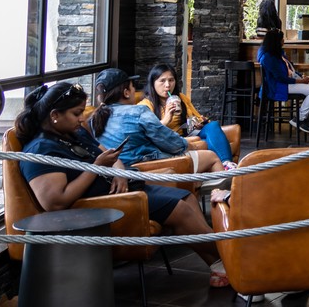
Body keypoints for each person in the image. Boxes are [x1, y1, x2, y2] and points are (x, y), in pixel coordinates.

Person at [16, 82, 228, 287]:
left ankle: (219, 265)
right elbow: (55, 202)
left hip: (124, 188)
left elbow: (110, 155)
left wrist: (118, 173)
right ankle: (233, 254)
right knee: (180, 210)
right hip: (103, 205)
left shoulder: (74, 133)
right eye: (76, 113)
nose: (81, 119)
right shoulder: (40, 149)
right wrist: (96, 168)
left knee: (186, 197)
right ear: (54, 115)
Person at [89, 68, 225, 175]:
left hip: (119, 170)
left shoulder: (95, 118)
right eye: (132, 87)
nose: (167, 85)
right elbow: (170, 142)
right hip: (147, 167)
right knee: (211, 157)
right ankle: (222, 198)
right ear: (126, 93)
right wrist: (188, 145)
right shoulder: (139, 111)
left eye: (171, 80)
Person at [138, 64, 236, 168]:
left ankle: (227, 164)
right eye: (162, 81)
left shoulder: (181, 98)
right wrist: (166, 119)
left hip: (186, 135)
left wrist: (197, 122)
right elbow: (147, 133)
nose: (167, 85)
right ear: (153, 83)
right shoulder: (145, 106)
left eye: (171, 80)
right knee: (209, 144)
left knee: (212, 126)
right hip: (169, 141)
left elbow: (195, 117)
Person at [258, 28, 309, 133]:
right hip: (279, 86)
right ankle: (300, 118)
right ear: (276, 41)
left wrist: (300, 76)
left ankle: (301, 118)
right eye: (282, 39)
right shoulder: (269, 57)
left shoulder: (277, 53)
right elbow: (281, 78)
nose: (284, 41)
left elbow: (289, 70)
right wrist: (301, 81)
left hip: (285, 83)